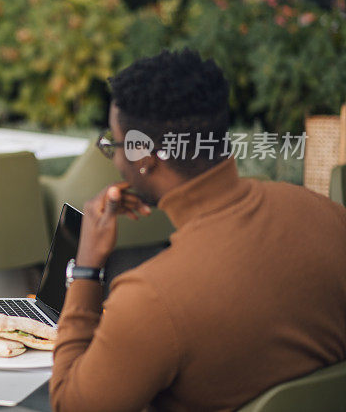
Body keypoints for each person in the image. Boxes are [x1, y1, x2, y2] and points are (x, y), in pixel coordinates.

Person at [50, 49, 346, 411]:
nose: (116, 159)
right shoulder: (327, 214)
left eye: (117, 144)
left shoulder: (151, 298)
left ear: (145, 157)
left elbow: (69, 405)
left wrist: (85, 270)